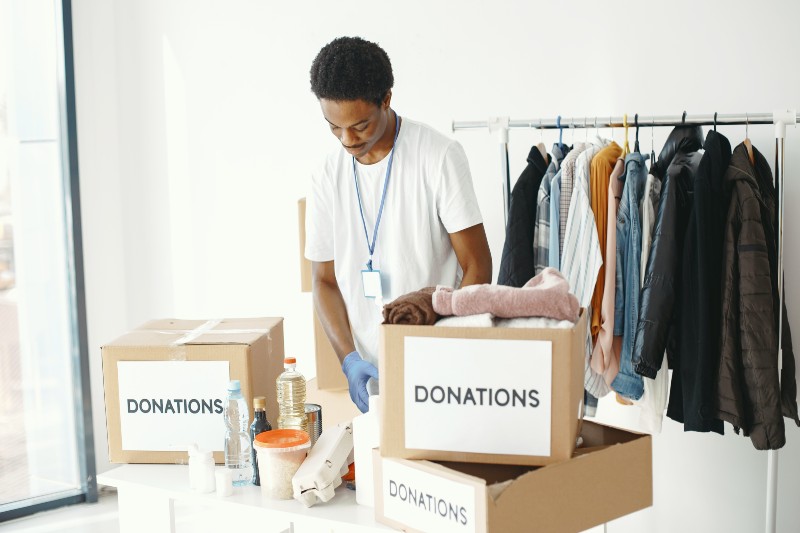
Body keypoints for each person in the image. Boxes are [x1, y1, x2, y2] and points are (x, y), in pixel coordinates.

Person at [305, 36, 492, 413]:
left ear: (386, 99)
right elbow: (323, 281)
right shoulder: (327, 174)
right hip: (373, 373)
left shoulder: (439, 157)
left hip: (441, 365)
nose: (347, 139)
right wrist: (349, 360)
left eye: (359, 125)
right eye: (334, 128)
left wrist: (444, 345)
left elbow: (478, 266)